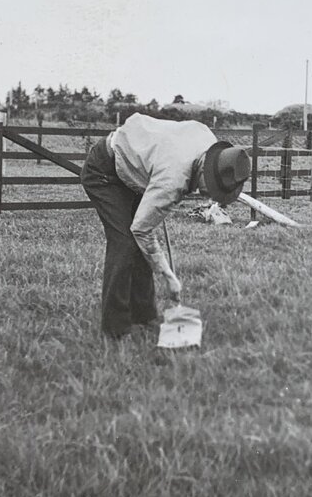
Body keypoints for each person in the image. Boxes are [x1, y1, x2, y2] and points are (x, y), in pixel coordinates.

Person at [80, 113, 251, 338]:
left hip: (138, 168)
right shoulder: (173, 179)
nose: (210, 197)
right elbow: (142, 229)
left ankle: (145, 316)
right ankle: (115, 329)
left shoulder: (209, 142)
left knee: (140, 246)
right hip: (105, 171)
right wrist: (169, 277)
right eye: (210, 187)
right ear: (204, 170)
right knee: (125, 243)